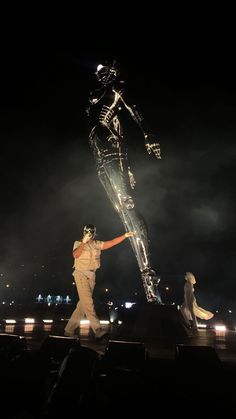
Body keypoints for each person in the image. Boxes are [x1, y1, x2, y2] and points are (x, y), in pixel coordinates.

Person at [86, 61, 162, 304]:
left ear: (114, 71)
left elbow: (134, 110)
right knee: (121, 211)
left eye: (104, 70)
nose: (99, 74)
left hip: (111, 148)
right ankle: (148, 283)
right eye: (97, 72)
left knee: (128, 207)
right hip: (98, 151)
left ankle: (150, 278)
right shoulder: (95, 94)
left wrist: (148, 135)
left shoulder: (117, 87)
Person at [64, 224, 135, 339]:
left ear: (94, 233)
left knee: (83, 305)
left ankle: (69, 330)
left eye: (92, 232)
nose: (90, 234)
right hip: (81, 274)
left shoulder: (97, 244)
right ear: (84, 232)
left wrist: (125, 236)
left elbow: (111, 242)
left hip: (91, 276)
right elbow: (75, 255)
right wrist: (83, 242)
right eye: (88, 232)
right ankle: (97, 329)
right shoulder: (78, 243)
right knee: (88, 302)